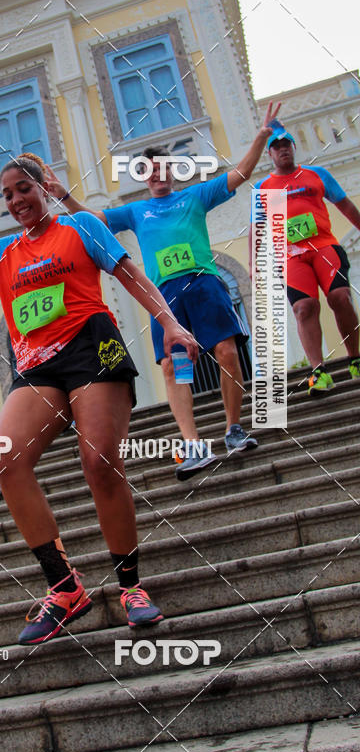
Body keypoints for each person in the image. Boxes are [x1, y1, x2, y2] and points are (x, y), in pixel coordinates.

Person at [0, 152, 198, 645]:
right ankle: (65, 587)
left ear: (43, 186)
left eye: (22, 188)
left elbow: (131, 275)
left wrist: (170, 322)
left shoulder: (82, 227)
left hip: (93, 347)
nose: (15, 200)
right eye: (6, 195)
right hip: (37, 366)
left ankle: (131, 587)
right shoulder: (2, 253)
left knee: (99, 462)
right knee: (7, 461)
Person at [47, 104, 281, 478]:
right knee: (176, 367)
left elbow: (240, 174)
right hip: (166, 298)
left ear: (173, 172)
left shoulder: (196, 197)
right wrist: (64, 197)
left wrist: (261, 137)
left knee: (226, 351)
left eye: (163, 169)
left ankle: (234, 429)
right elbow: (93, 220)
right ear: (143, 177)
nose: (158, 175)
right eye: (150, 171)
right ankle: (193, 445)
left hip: (204, 281)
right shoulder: (137, 211)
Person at [251, 119, 360, 396]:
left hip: (324, 247)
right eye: (276, 146)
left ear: (294, 146)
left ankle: (355, 358)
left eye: (286, 144)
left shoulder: (316, 174)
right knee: (304, 308)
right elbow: (258, 228)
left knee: (340, 297)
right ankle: (318, 371)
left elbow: (345, 205)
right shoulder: (264, 188)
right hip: (290, 257)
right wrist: (254, 264)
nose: (282, 149)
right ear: (270, 154)